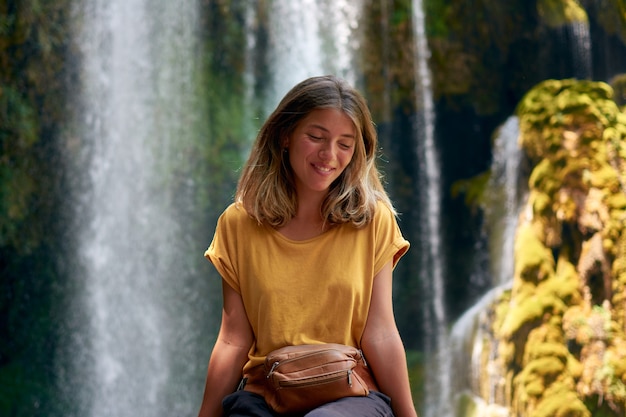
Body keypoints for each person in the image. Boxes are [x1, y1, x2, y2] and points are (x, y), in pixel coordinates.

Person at [197, 75, 417, 417]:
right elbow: (233, 339)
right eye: (316, 137)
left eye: (345, 144)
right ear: (285, 135)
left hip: (353, 395)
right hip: (265, 395)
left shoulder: (373, 221)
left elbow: (381, 332)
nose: (329, 155)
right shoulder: (238, 224)